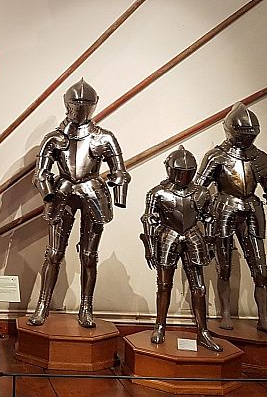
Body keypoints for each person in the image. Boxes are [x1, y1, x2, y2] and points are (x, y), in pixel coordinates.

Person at [28, 79, 130, 328]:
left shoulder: (104, 138)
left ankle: (86, 307)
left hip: (92, 192)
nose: (80, 107)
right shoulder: (54, 138)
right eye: (76, 102)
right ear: (67, 103)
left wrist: (119, 192)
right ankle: (43, 305)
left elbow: (120, 172)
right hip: (62, 191)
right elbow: (40, 173)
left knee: (88, 256)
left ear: (94, 104)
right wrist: (48, 192)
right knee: (54, 253)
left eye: (85, 103)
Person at [194, 102, 267, 336]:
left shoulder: (260, 157)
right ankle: (226, 313)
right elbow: (199, 190)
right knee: (224, 267)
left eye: (250, 133)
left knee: (261, 270)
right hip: (224, 210)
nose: (246, 138)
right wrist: (203, 219)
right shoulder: (216, 156)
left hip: (252, 210)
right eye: (243, 133)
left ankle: (263, 318)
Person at [142, 146, 221, 351]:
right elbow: (149, 219)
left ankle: (203, 332)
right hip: (168, 236)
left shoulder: (201, 193)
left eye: (187, 172)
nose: (182, 176)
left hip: (193, 236)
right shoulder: (158, 193)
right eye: (179, 171)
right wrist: (149, 247)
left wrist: (210, 241)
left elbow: (209, 218)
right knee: (164, 286)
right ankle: (160, 326)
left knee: (199, 288)